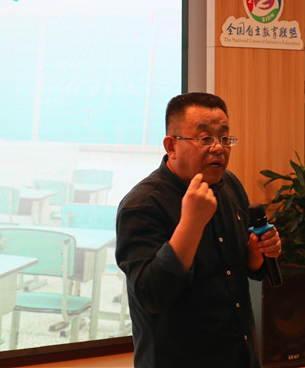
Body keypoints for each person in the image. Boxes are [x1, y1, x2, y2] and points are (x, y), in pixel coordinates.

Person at [116, 92, 282, 368]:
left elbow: (234, 271)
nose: (218, 148)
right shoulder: (142, 205)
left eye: (224, 138)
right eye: (205, 139)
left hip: (240, 356)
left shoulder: (230, 185)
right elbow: (151, 295)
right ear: (171, 146)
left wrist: (255, 256)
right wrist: (191, 225)